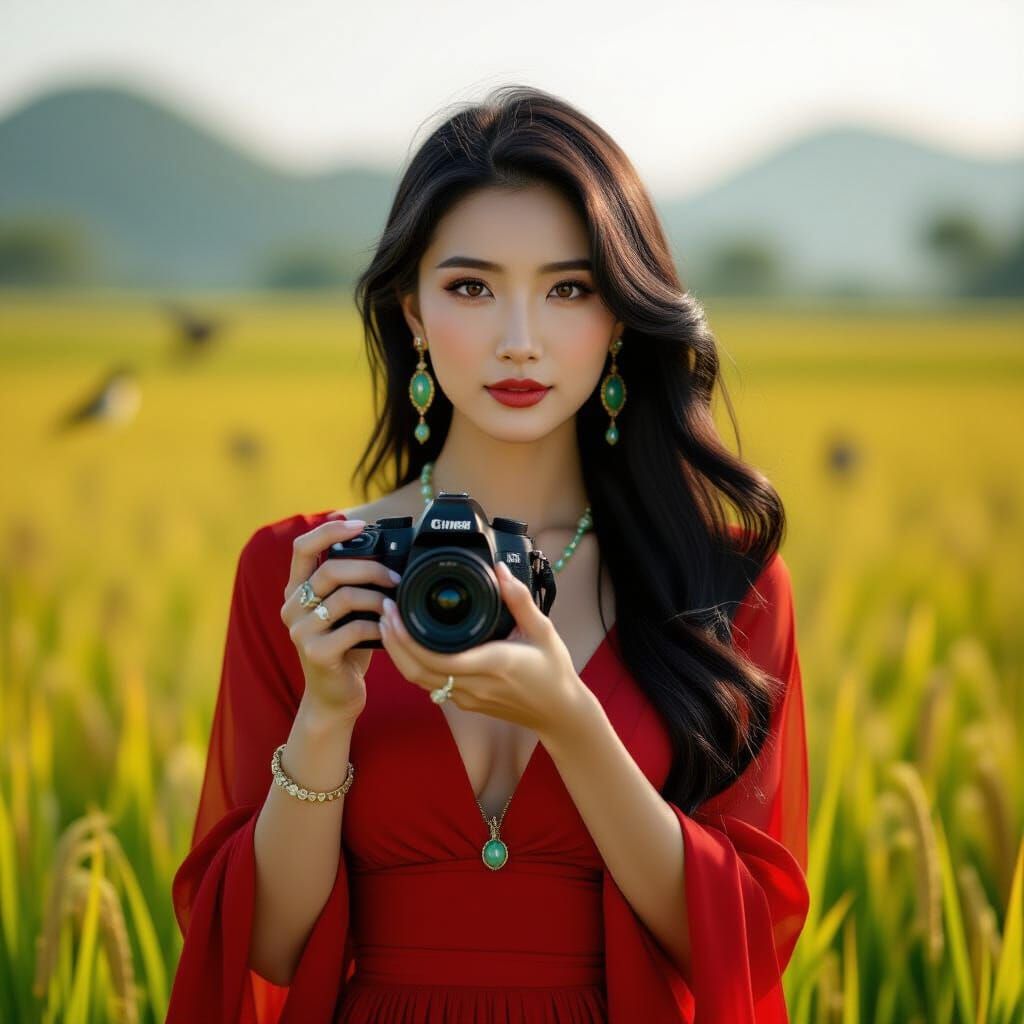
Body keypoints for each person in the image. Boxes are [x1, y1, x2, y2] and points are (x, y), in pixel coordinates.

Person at [166, 83, 810, 1024]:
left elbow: (742, 941)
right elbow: (262, 945)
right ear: (413, 312)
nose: (520, 341)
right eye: (471, 287)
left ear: (624, 315)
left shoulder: (726, 582)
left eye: (569, 288)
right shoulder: (304, 568)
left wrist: (572, 722)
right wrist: (325, 714)